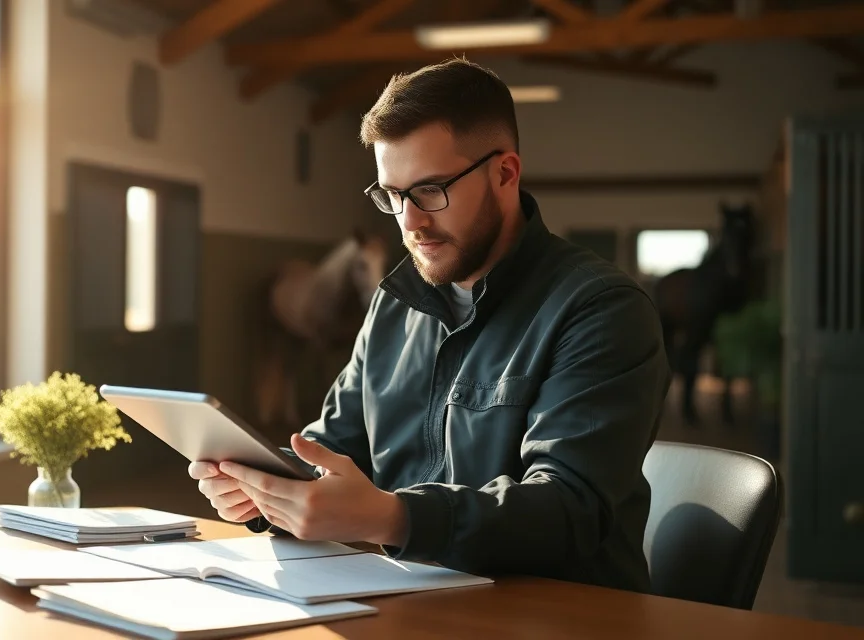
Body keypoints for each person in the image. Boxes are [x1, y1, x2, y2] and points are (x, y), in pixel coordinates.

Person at [189, 57, 671, 593]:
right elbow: (333, 451)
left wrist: (392, 518)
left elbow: (568, 511)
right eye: (391, 196)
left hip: (562, 616)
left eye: (430, 190)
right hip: (412, 603)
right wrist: (266, 488)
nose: (410, 221)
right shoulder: (394, 304)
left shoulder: (602, 310)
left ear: (505, 173)